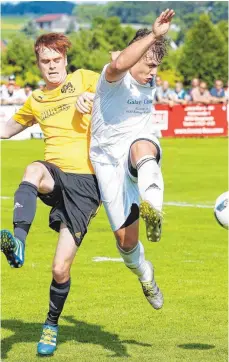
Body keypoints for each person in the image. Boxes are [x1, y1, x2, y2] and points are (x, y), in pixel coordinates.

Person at [0, 33, 101, 357]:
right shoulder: (35, 100)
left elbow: (116, 92)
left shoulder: (85, 79)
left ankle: (51, 323)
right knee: (32, 170)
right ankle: (18, 242)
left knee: (60, 269)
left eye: (57, 60)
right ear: (39, 64)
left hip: (86, 185)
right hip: (54, 174)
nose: (52, 66)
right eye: (46, 61)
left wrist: (93, 99)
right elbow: (5, 130)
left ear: (65, 60)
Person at [77, 9, 175, 310]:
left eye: (156, 67)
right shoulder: (113, 77)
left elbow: (132, 59)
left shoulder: (147, 78)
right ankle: (145, 274)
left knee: (142, 148)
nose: (153, 73)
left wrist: (152, 49)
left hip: (138, 145)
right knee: (126, 242)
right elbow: (120, 62)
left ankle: (153, 210)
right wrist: (154, 34)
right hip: (107, 160)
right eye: (149, 65)